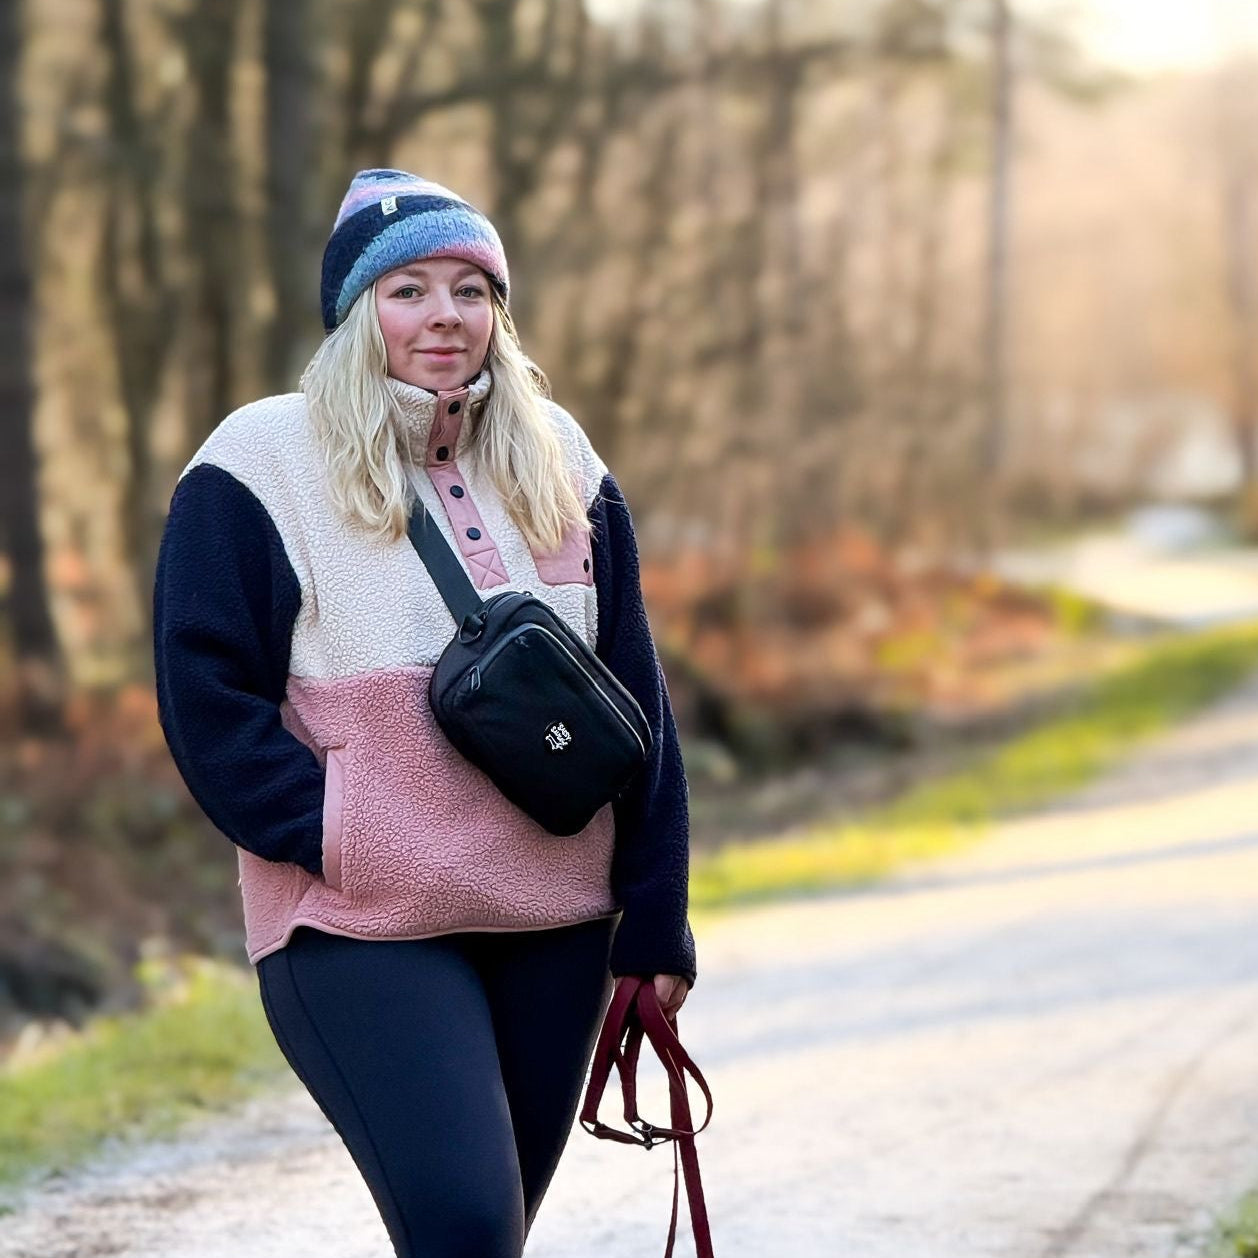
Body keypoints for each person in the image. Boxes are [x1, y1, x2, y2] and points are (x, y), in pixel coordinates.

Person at [152, 168, 697, 1258]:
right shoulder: (261, 458)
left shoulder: (559, 453)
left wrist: (653, 912)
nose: (445, 315)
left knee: (483, 1241)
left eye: (470, 289)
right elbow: (206, 697)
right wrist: (343, 831)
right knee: (460, 1227)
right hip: (358, 922)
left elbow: (635, 693)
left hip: (556, 921)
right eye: (409, 288)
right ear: (359, 312)